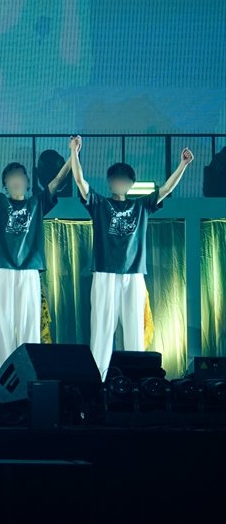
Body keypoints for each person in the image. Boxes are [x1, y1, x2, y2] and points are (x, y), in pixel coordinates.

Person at [70, 136, 194, 379]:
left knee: (134, 329)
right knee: (102, 329)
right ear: (110, 182)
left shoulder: (141, 206)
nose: (120, 183)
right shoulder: (99, 203)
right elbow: (80, 182)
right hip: (105, 272)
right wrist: (74, 152)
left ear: (130, 184)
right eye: (116, 179)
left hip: (134, 273)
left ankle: (136, 381)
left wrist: (183, 164)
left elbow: (166, 189)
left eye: (124, 180)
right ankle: (98, 381)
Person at [0, 138, 72, 373]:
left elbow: (58, 180)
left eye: (20, 176)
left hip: (29, 270)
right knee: (3, 324)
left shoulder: (38, 202)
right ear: (5, 184)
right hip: (4, 269)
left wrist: (73, 155)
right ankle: (2, 375)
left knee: (29, 325)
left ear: (27, 182)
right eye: (11, 177)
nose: (16, 180)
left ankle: (29, 374)